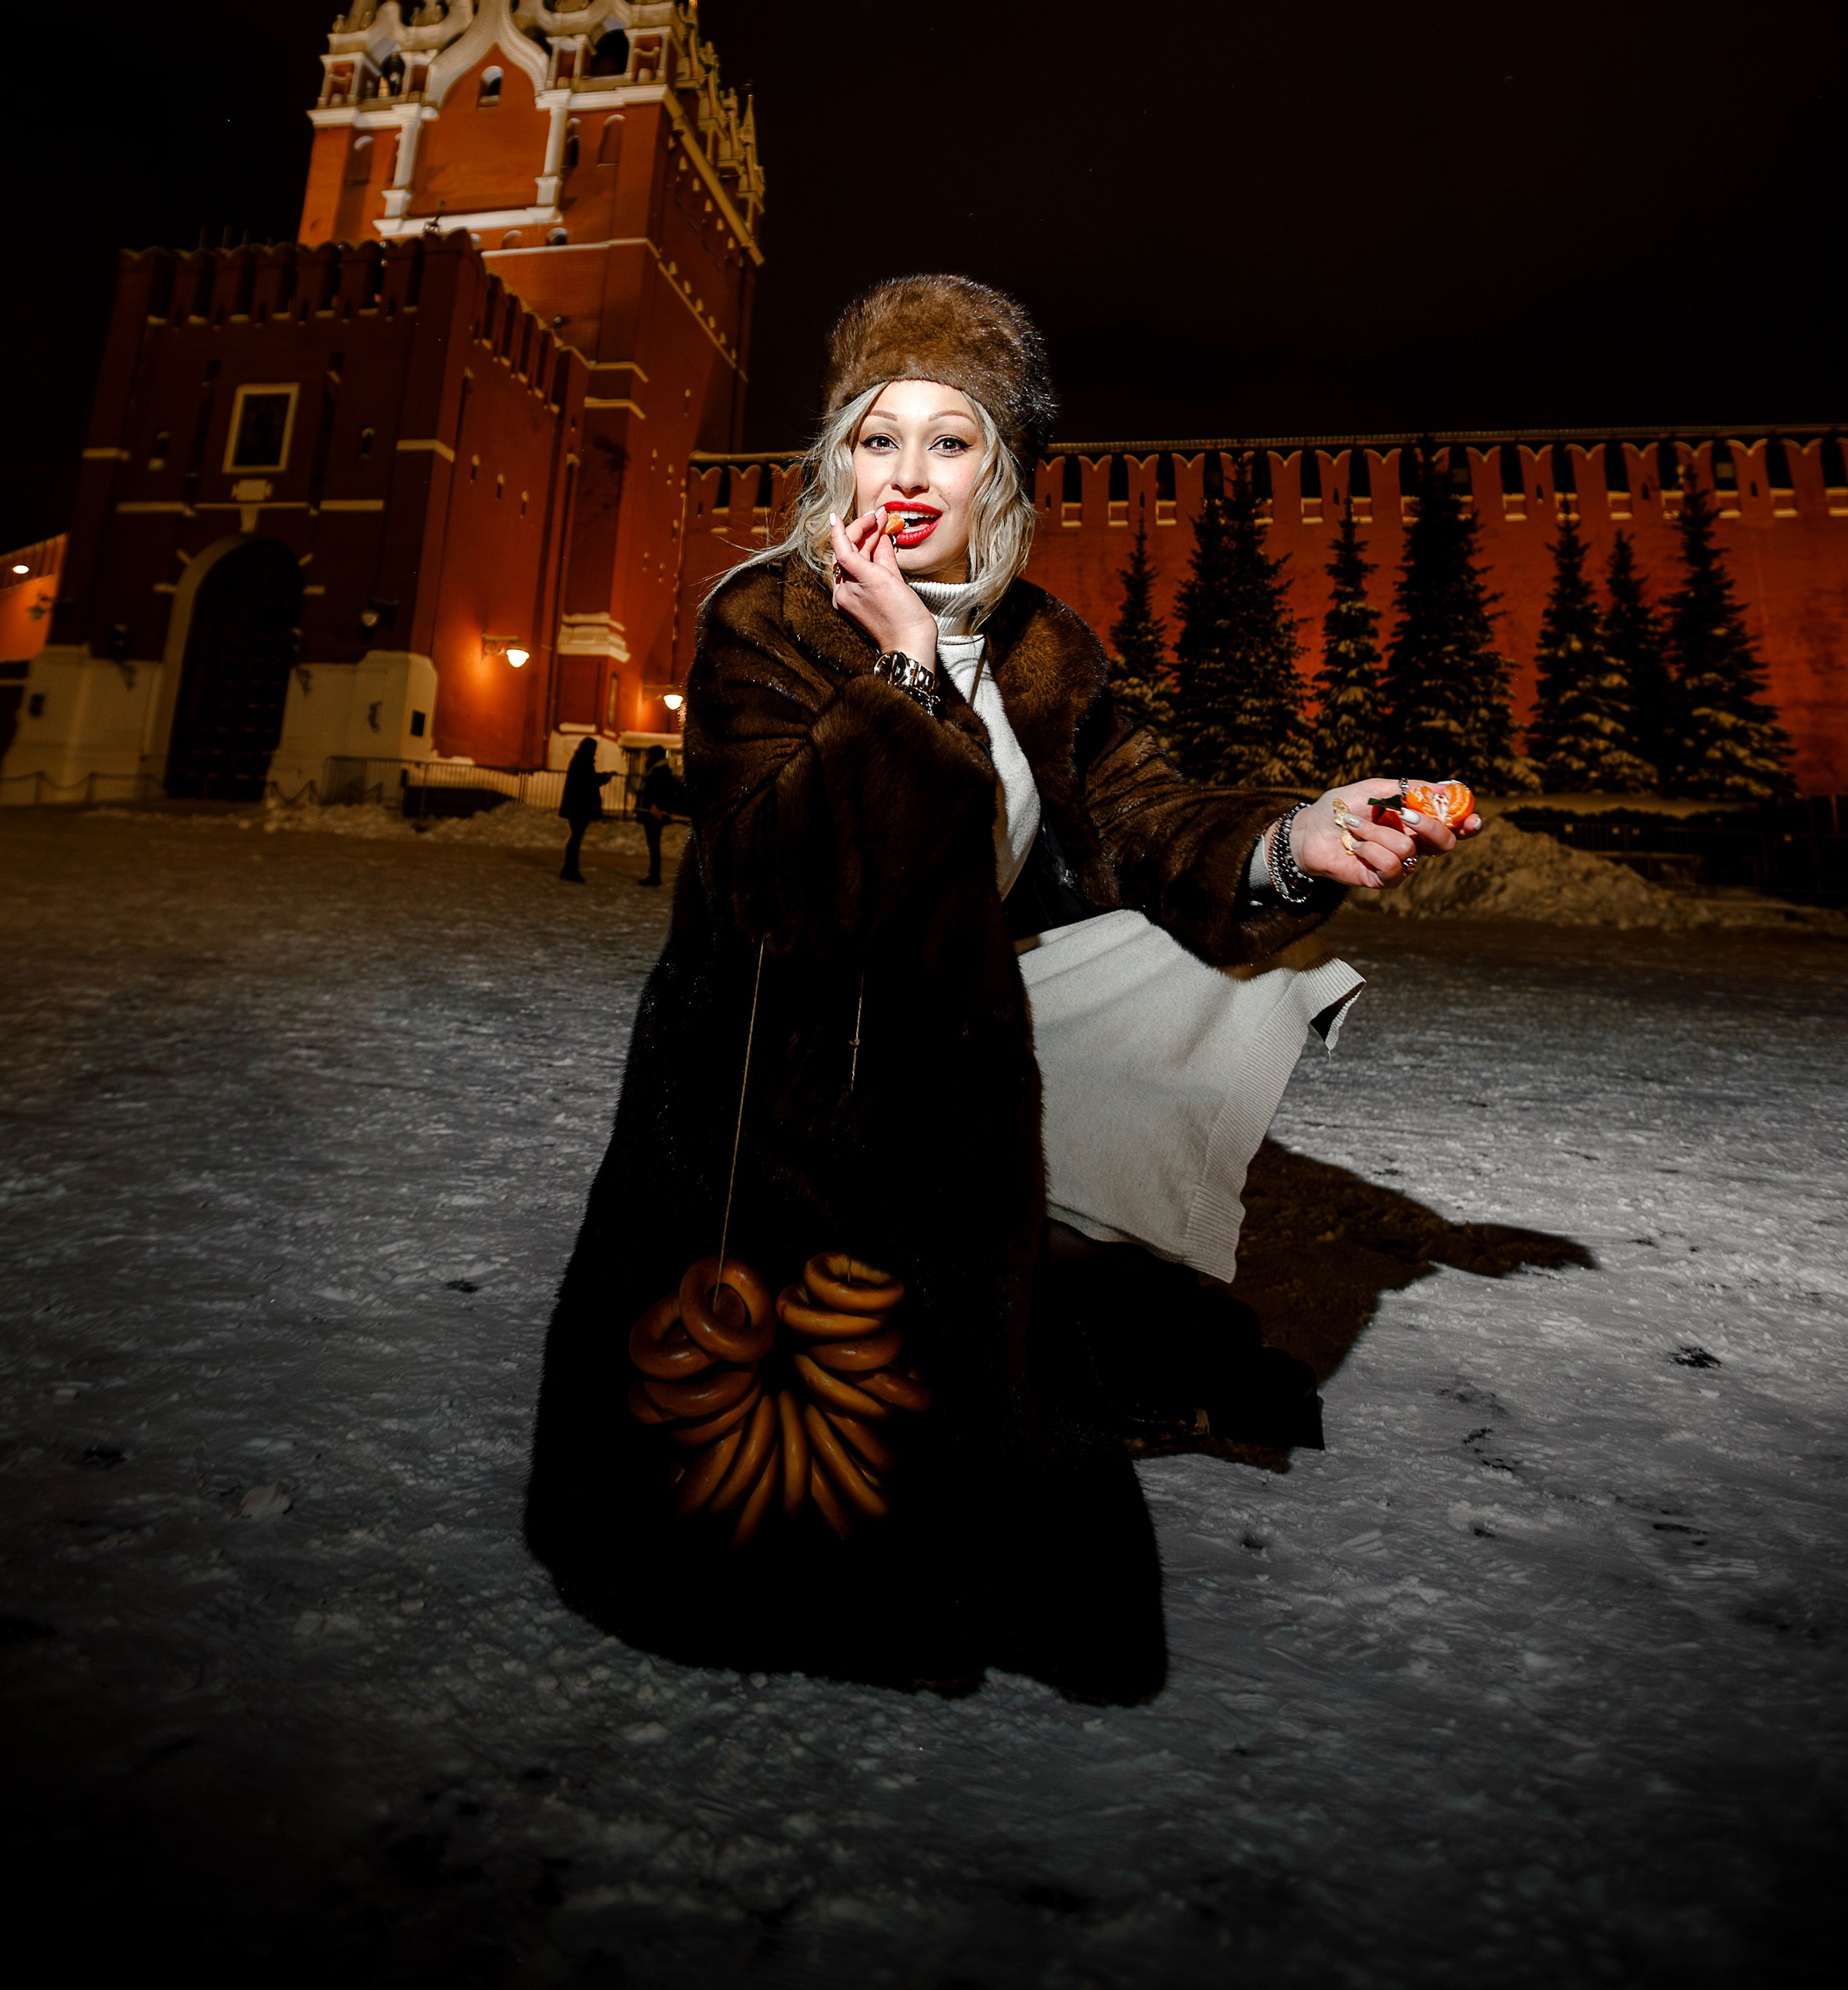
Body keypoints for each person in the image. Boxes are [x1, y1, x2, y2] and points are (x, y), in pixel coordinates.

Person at [527, 275, 1478, 1703]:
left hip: (951, 1092)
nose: (908, 477)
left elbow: (1154, 829)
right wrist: (904, 680)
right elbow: (786, 889)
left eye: (949, 441)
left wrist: (1302, 835)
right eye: (876, 438)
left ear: (1003, 472)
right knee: (778, 1487)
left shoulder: (1048, 653)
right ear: (833, 460)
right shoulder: (767, 622)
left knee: (1022, 1525)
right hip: (768, 1112)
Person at [557, 735, 614, 885]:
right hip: (580, 807)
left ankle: (569, 869)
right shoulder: (584, 761)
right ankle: (570, 870)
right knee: (576, 838)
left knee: (575, 838)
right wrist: (603, 778)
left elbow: (586, 780)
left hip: (576, 806)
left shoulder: (579, 760)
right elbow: (588, 782)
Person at [634, 749, 687, 888]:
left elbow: (660, 791)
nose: (645, 758)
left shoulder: (659, 771)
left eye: (648, 754)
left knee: (654, 845)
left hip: (654, 813)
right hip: (653, 811)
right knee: (653, 845)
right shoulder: (658, 769)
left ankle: (654, 876)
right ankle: (653, 874)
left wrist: (656, 807)